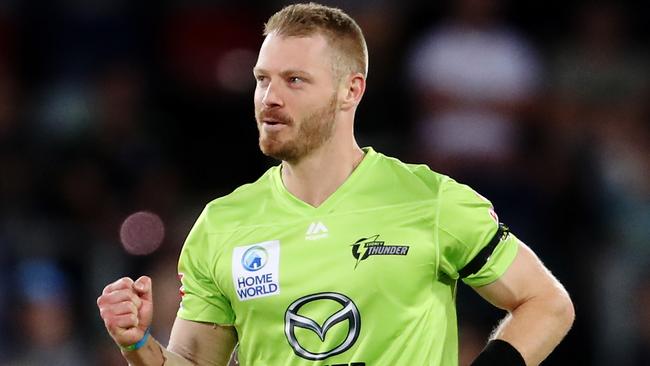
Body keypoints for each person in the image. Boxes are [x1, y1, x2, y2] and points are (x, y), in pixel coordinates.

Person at [96, 3, 574, 365]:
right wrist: (138, 342)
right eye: (262, 79)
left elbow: (547, 303)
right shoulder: (224, 223)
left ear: (352, 90)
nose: (269, 97)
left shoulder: (429, 200)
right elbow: (195, 361)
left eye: (295, 80)